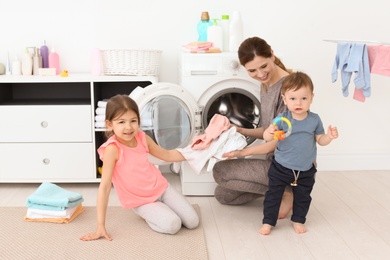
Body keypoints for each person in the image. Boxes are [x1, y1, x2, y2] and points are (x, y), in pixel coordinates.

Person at [80, 94, 199, 241]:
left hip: (162, 189)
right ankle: (148, 215)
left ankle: (160, 210)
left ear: (139, 121)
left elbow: (167, 155)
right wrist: (100, 225)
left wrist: (196, 153)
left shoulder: (142, 138)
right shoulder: (112, 149)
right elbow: (104, 187)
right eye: (121, 122)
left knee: (193, 222)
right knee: (173, 225)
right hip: (142, 201)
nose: (128, 127)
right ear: (110, 124)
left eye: (133, 121)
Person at [213, 36, 293, 219]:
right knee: (223, 195)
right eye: (252, 70)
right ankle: (278, 190)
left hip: (288, 165)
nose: (260, 74)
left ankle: (288, 190)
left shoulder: (290, 87)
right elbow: (268, 129)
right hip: (272, 161)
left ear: (272, 55)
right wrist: (240, 129)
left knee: (220, 171)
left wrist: (242, 153)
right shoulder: (267, 84)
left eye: (263, 66)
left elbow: (277, 139)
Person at [259, 72, 338, 235]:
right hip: (281, 167)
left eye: (304, 98)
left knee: (303, 197)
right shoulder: (282, 119)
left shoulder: (314, 120)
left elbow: (320, 140)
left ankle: (298, 220)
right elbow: (267, 138)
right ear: (284, 99)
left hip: (305, 170)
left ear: (311, 98)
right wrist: (269, 131)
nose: (298, 103)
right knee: (273, 195)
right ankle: (268, 222)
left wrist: (329, 137)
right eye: (293, 98)